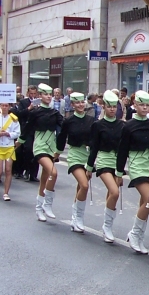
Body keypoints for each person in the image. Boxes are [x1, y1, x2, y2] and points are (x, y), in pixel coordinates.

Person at [117, 91, 149, 253]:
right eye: (141, 104)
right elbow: (122, 150)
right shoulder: (128, 126)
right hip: (136, 166)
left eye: (147, 105)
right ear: (134, 105)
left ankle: (139, 237)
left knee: (145, 204)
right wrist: (119, 173)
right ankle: (134, 234)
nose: (144, 107)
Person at [20, 84, 64, 222]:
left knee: (45, 179)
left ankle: (39, 208)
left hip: (51, 147)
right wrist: (19, 142)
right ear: (40, 96)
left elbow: (64, 126)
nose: (49, 96)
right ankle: (47, 204)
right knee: (53, 173)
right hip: (39, 146)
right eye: (45, 94)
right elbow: (27, 128)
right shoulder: (35, 112)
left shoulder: (55, 113)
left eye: (50, 94)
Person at [87, 91, 125, 243]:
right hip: (103, 159)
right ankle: (107, 226)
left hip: (117, 161)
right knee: (115, 192)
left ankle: (107, 224)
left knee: (111, 193)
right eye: (109, 106)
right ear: (104, 107)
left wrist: (121, 171)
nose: (112, 109)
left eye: (114, 107)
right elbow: (94, 147)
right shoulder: (98, 125)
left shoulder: (122, 125)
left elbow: (123, 149)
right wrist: (89, 167)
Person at [57, 93, 94, 233]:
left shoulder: (91, 120)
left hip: (87, 155)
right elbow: (62, 137)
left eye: (82, 102)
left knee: (81, 187)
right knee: (84, 185)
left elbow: (95, 139)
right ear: (72, 105)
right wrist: (57, 153)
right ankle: (77, 217)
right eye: (77, 103)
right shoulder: (68, 121)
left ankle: (76, 217)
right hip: (74, 154)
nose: (80, 105)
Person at [0, 102, 20, 200]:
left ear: (9, 107)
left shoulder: (14, 119)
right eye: (3, 105)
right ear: (0, 106)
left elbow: (17, 132)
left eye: (6, 106)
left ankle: (6, 193)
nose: (4, 107)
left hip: (9, 146)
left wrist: (8, 134)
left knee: (8, 170)